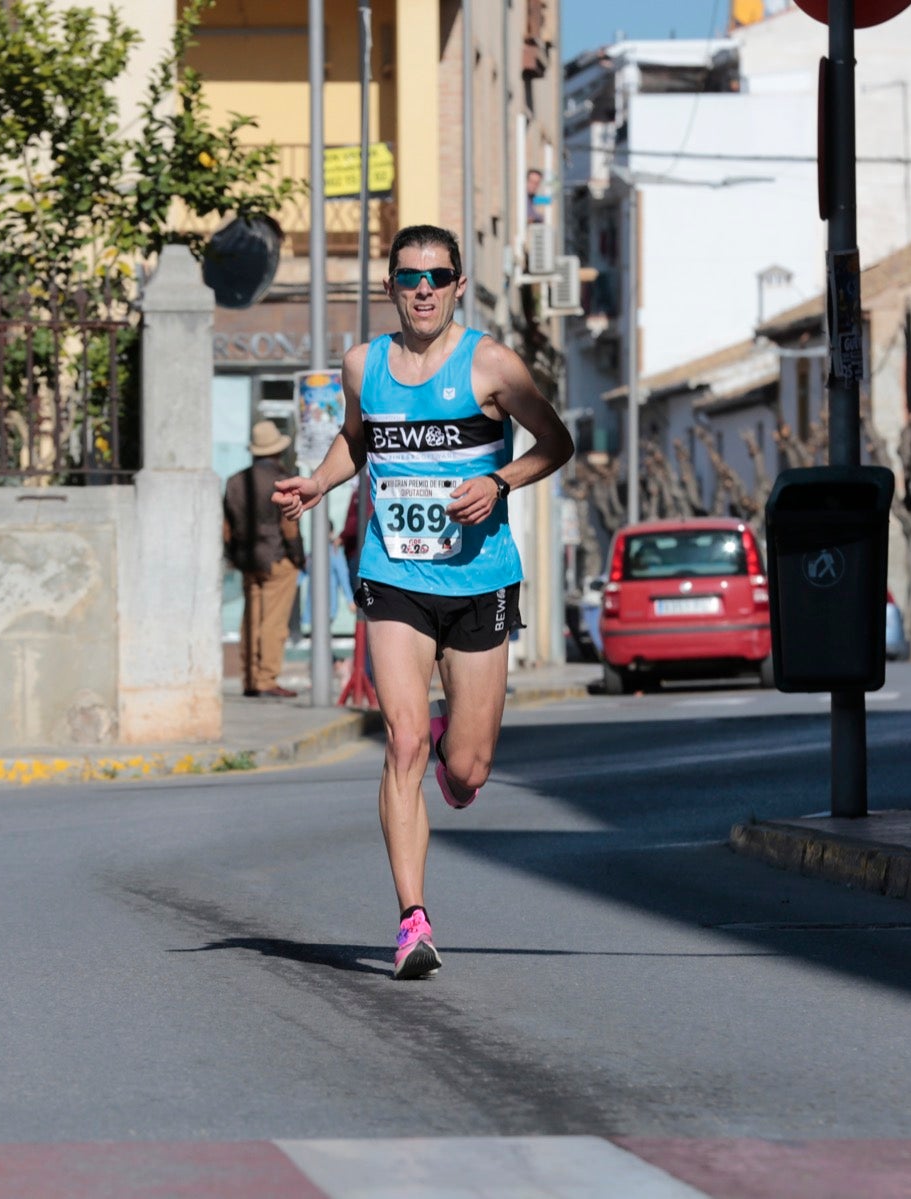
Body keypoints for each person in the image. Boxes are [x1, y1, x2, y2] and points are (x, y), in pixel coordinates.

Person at [273, 224, 574, 980]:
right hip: (394, 575)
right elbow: (359, 441)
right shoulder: (362, 366)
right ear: (389, 287)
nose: (423, 290)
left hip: (480, 581)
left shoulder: (492, 366)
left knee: (467, 771)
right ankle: (412, 921)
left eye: (437, 276)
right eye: (409, 278)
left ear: (459, 284)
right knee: (400, 742)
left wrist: (501, 482)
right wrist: (319, 480)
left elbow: (556, 443)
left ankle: (453, 752)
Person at [224, 420, 305, 698]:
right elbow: (289, 526)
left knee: (251, 619)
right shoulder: (281, 480)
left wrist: (233, 554)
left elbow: (226, 526)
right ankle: (267, 679)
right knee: (273, 621)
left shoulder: (235, 481)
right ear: (277, 452)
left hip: (248, 559)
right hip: (277, 557)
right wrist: (298, 556)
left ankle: (250, 679)